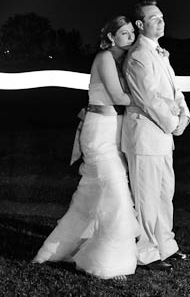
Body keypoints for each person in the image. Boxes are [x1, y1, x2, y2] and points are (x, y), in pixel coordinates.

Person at [32, 15, 141, 280]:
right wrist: (146, 99)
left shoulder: (120, 60)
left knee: (89, 197)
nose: (131, 37)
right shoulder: (104, 58)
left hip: (111, 130)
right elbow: (117, 97)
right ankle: (107, 264)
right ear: (111, 37)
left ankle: (51, 252)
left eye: (131, 33)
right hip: (98, 132)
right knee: (116, 193)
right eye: (125, 33)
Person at [122, 0, 190, 271]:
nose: (161, 22)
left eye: (162, 17)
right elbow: (149, 98)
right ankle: (147, 252)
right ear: (140, 24)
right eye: (154, 18)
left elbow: (175, 91)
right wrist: (173, 121)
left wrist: (184, 116)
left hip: (163, 136)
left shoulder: (160, 53)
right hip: (145, 136)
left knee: (165, 195)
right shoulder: (139, 55)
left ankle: (166, 245)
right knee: (147, 198)